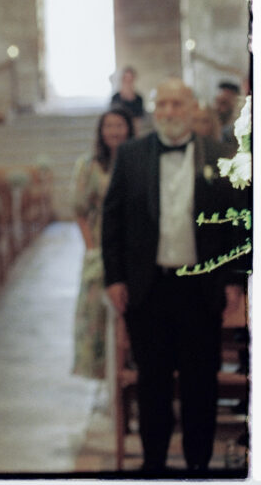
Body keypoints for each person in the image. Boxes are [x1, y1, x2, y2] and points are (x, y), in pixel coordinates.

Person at [102, 78, 246, 473]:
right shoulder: (131, 156)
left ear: (192, 108)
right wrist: (114, 278)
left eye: (176, 104)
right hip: (148, 288)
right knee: (153, 384)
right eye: (162, 104)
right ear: (153, 109)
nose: (168, 112)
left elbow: (239, 223)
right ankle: (154, 466)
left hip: (201, 289)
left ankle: (198, 468)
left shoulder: (220, 154)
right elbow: (111, 222)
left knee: (201, 385)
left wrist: (235, 279)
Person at [69, 107, 134, 382]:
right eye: (109, 126)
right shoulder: (89, 164)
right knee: (96, 313)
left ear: (129, 129)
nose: (115, 131)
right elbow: (80, 209)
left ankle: (128, 376)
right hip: (100, 245)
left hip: (133, 246)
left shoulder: (138, 160)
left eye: (120, 126)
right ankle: (103, 378)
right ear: (101, 131)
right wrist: (92, 248)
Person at [110, 66, 145, 133]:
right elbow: (113, 117)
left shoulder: (139, 99)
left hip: (132, 131)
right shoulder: (115, 97)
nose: (128, 82)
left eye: (130, 79)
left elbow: (138, 120)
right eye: (126, 79)